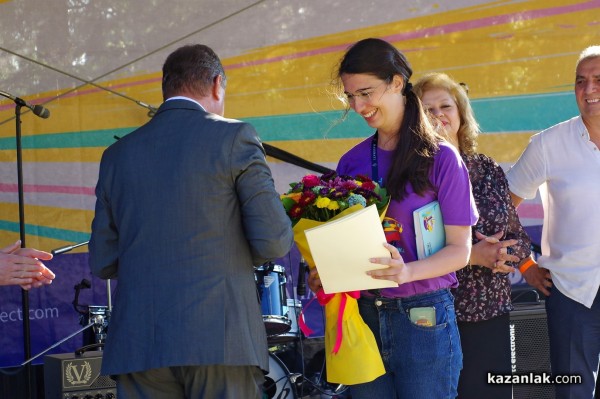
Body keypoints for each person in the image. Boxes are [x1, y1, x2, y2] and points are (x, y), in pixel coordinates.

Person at [88, 44, 294, 399]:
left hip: (139, 345)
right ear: (217, 85)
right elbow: (273, 240)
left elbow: (103, 261)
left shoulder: (116, 155)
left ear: (166, 88)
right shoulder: (235, 136)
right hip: (221, 339)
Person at [309, 38, 478, 399]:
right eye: (351, 97)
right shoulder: (351, 161)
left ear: (398, 83)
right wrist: (327, 271)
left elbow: (460, 250)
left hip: (424, 316)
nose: (358, 106)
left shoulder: (443, 158)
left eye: (366, 93)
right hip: (364, 315)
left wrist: (406, 272)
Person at [414, 73, 531, 399]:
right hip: (436, 321)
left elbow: (518, 237)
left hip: (491, 316)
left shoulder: (487, 168)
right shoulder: (410, 178)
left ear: (461, 115)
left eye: (445, 106)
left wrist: (503, 253)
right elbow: (410, 249)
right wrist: (473, 254)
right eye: (427, 109)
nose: (438, 115)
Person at [506, 45, 600, 398]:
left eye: (598, 80)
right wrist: (525, 262)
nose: (589, 90)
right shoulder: (548, 145)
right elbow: (501, 208)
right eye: (581, 81)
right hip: (573, 291)